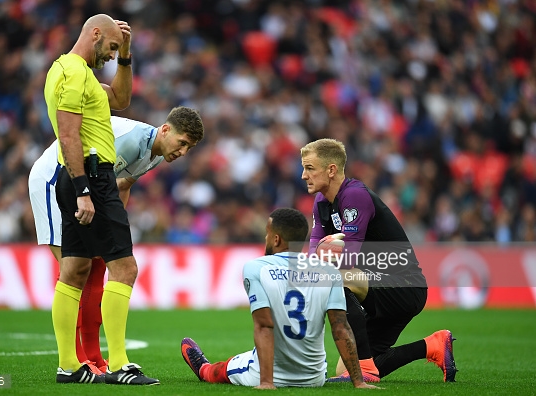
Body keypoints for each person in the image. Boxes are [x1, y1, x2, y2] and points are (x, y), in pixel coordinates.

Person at [28, 108, 204, 374]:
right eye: (182, 143)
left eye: (189, 148)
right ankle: (74, 361)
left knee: (96, 267)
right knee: (73, 270)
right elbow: (84, 166)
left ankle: (95, 358)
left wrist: (112, 237)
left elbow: (120, 186)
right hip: (54, 180)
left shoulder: (154, 156)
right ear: (166, 130)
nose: (183, 153)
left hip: (84, 188)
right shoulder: (131, 141)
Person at [43, 13, 157, 385]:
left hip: (79, 177)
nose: (110, 55)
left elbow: (121, 99)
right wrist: (85, 190)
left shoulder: (72, 72)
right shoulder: (76, 74)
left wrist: (126, 54)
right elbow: (68, 134)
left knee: (74, 271)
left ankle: (67, 367)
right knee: (124, 268)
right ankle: (122, 365)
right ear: (94, 34)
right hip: (90, 176)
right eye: (110, 46)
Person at [300, 138, 457, 383]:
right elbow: (313, 252)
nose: (303, 175)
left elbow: (349, 258)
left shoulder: (354, 196)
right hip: (374, 287)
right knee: (344, 370)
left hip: (404, 286)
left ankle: (365, 367)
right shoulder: (322, 201)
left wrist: (322, 262)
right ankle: (432, 345)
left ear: (331, 170)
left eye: (309, 168)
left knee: (335, 278)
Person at [180, 208, 379, 389]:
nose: (266, 238)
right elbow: (341, 328)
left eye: (267, 234)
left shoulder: (256, 268)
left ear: (275, 239)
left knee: (226, 367)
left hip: (266, 375)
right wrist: (359, 382)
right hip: (314, 378)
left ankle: (203, 368)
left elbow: (264, 325)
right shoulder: (330, 272)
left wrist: (266, 382)